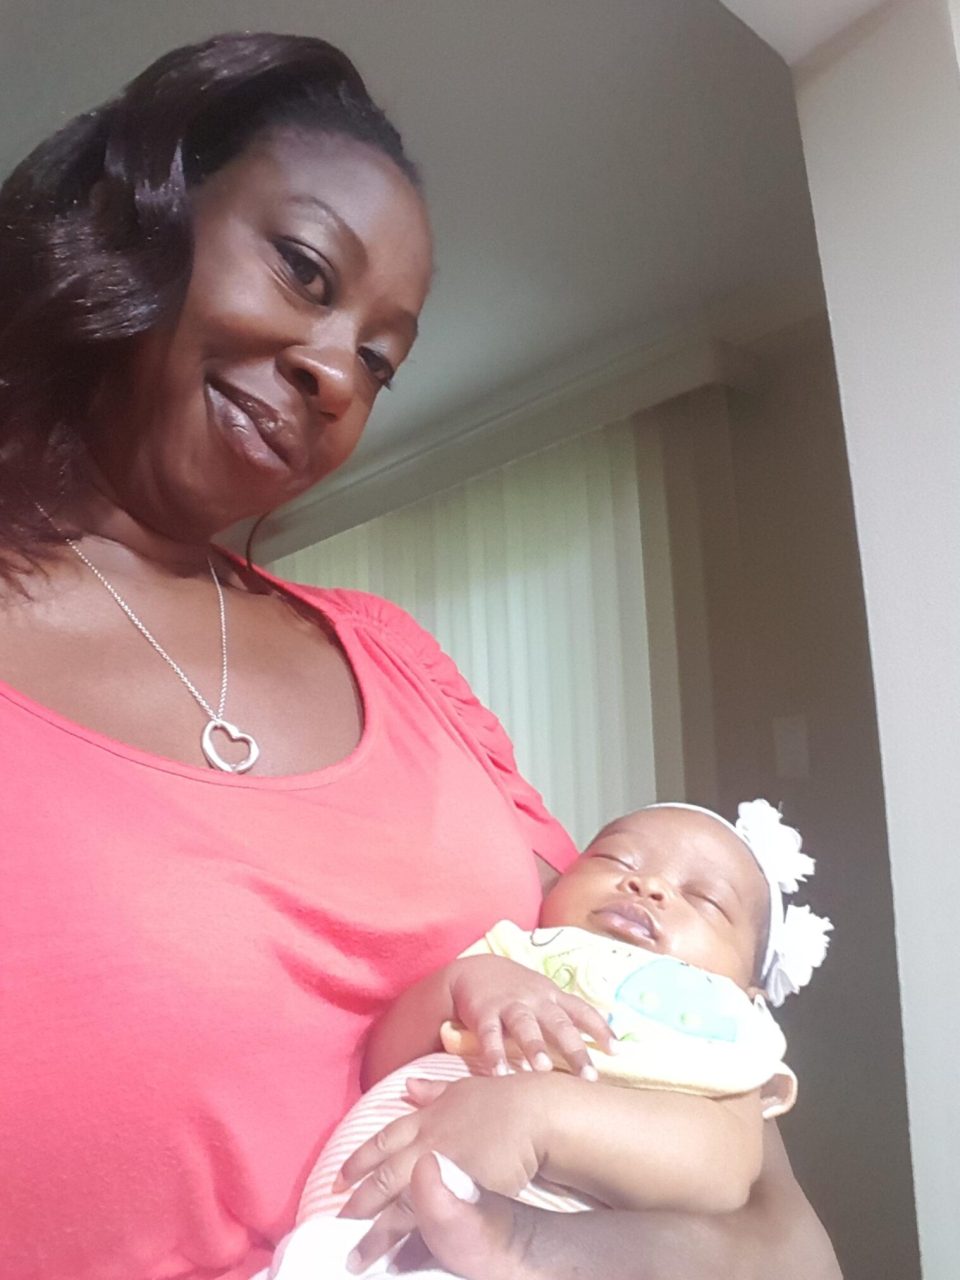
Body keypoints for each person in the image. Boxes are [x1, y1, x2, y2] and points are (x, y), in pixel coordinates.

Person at [0, 31, 842, 1280]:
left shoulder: (397, 660)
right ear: (146, 213)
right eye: (302, 269)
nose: (336, 370)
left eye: (381, 360)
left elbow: (751, 1188)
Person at [266, 800, 831, 1277]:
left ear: (750, 993)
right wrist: (461, 983)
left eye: (705, 900)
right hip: (332, 1245)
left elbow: (721, 1171)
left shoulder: (712, 1030)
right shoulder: (517, 958)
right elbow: (381, 1065)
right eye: (617, 858)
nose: (649, 884)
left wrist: (537, 1118)